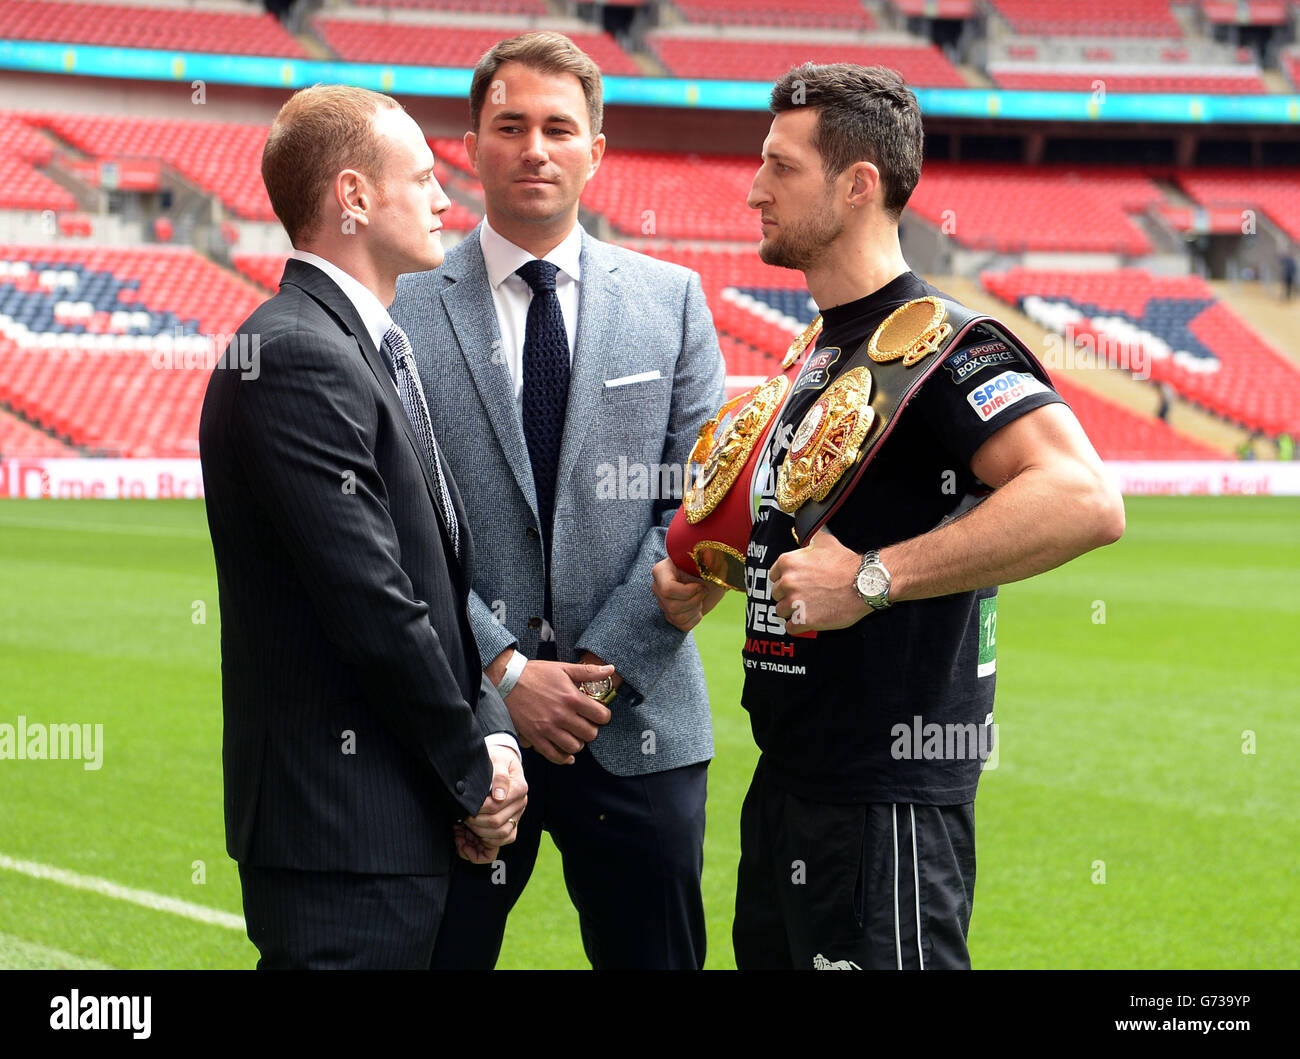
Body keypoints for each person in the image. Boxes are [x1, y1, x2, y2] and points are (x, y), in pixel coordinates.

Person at [653, 63, 1125, 970]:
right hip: (791, 783)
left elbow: (1084, 498)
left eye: (779, 166)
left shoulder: (948, 345)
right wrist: (713, 577)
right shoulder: (819, 349)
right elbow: (806, 524)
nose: (753, 189)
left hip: (887, 804)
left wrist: (874, 579)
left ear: (858, 184)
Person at [391, 31, 726, 969]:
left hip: (639, 722)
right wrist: (503, 668)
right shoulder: (404, 303)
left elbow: (694, 508)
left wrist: (596, 665)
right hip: (463, 723)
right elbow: (392, 523)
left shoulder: (673, 299)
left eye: (557, 127)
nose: (534, 147)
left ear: (595, 151)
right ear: (471, 144)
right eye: (510, 125)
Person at [199, 84, 526, 969]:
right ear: (353, 197)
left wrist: (491, 733)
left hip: (386, 827)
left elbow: (440, 585)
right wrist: (477, 776)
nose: (443, 198)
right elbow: (376, 606)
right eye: (422, 178)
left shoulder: (363, 346)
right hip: (342, 835)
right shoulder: (300, 355)